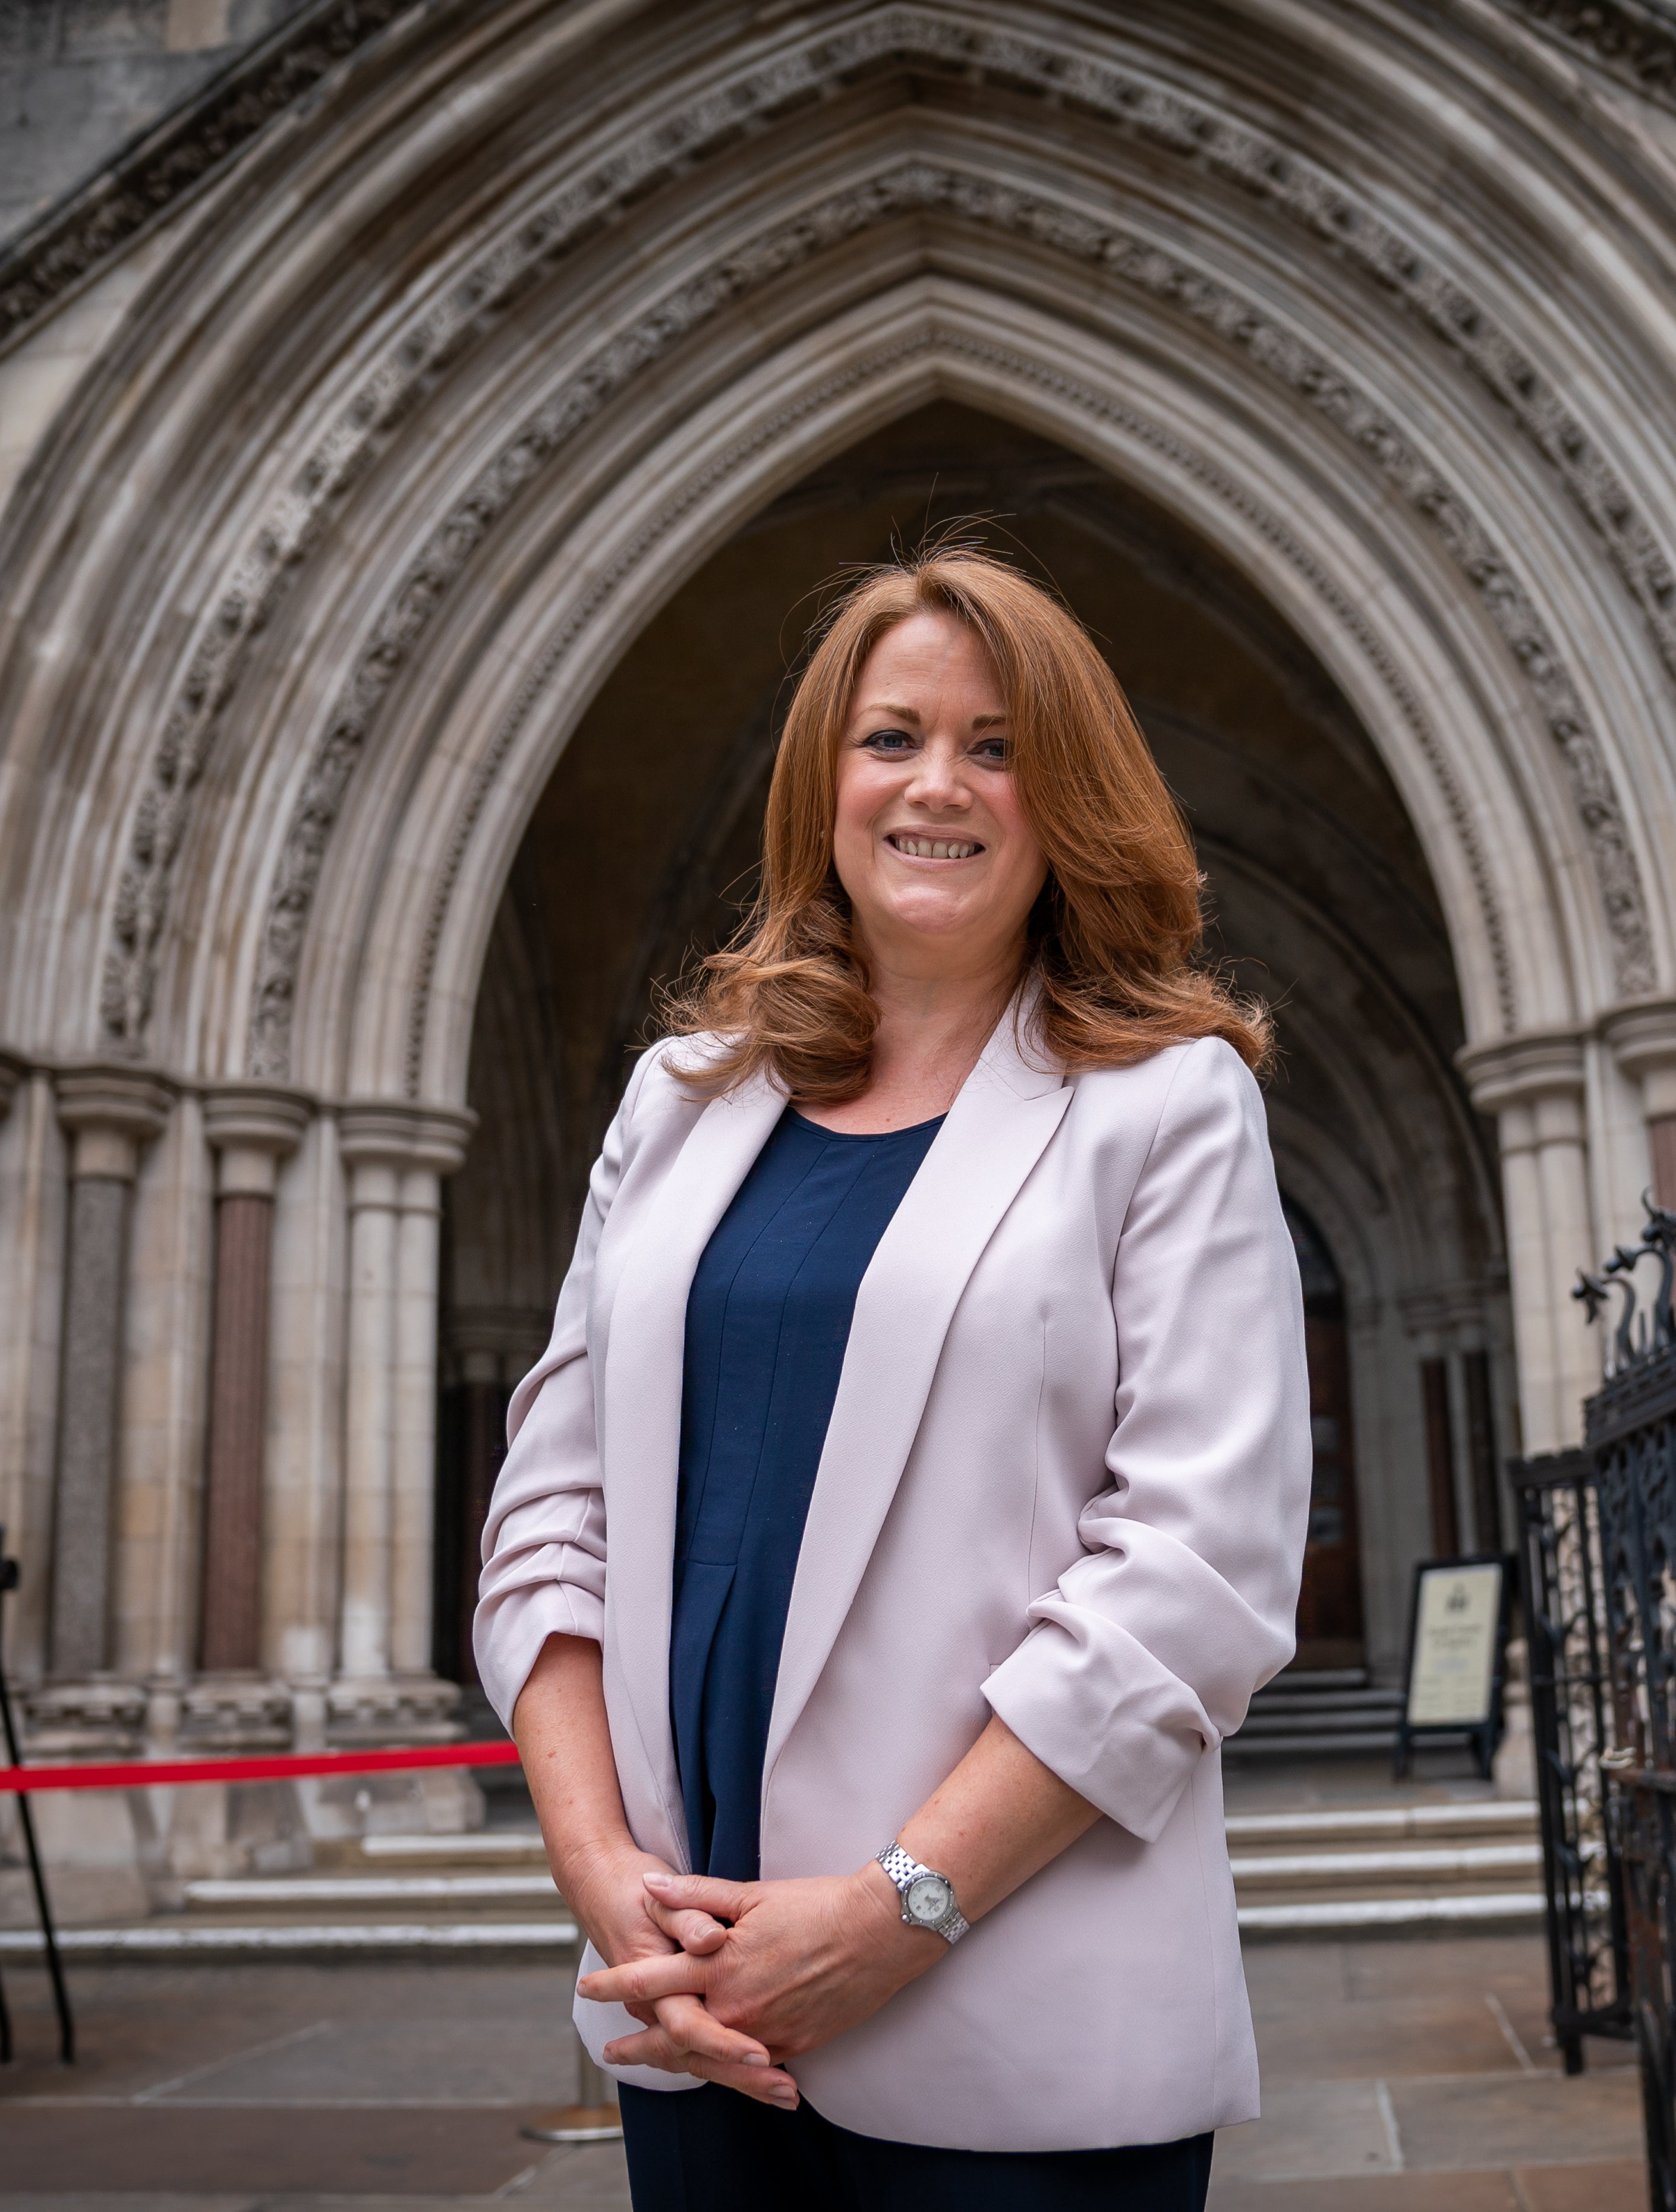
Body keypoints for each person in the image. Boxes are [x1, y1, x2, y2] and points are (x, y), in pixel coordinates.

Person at [472, 546, 1309, 2207]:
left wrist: (892, 1910)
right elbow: (552, 1511)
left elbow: (1195, 1575)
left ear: (1070, 799)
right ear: (823, 785)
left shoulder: (1166, 1105)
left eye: (999, 746)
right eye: (893, 737)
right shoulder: (680, 1102)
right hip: (691, 1992)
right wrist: (604, 1879)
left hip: (1011, 2009)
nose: (940, 783)